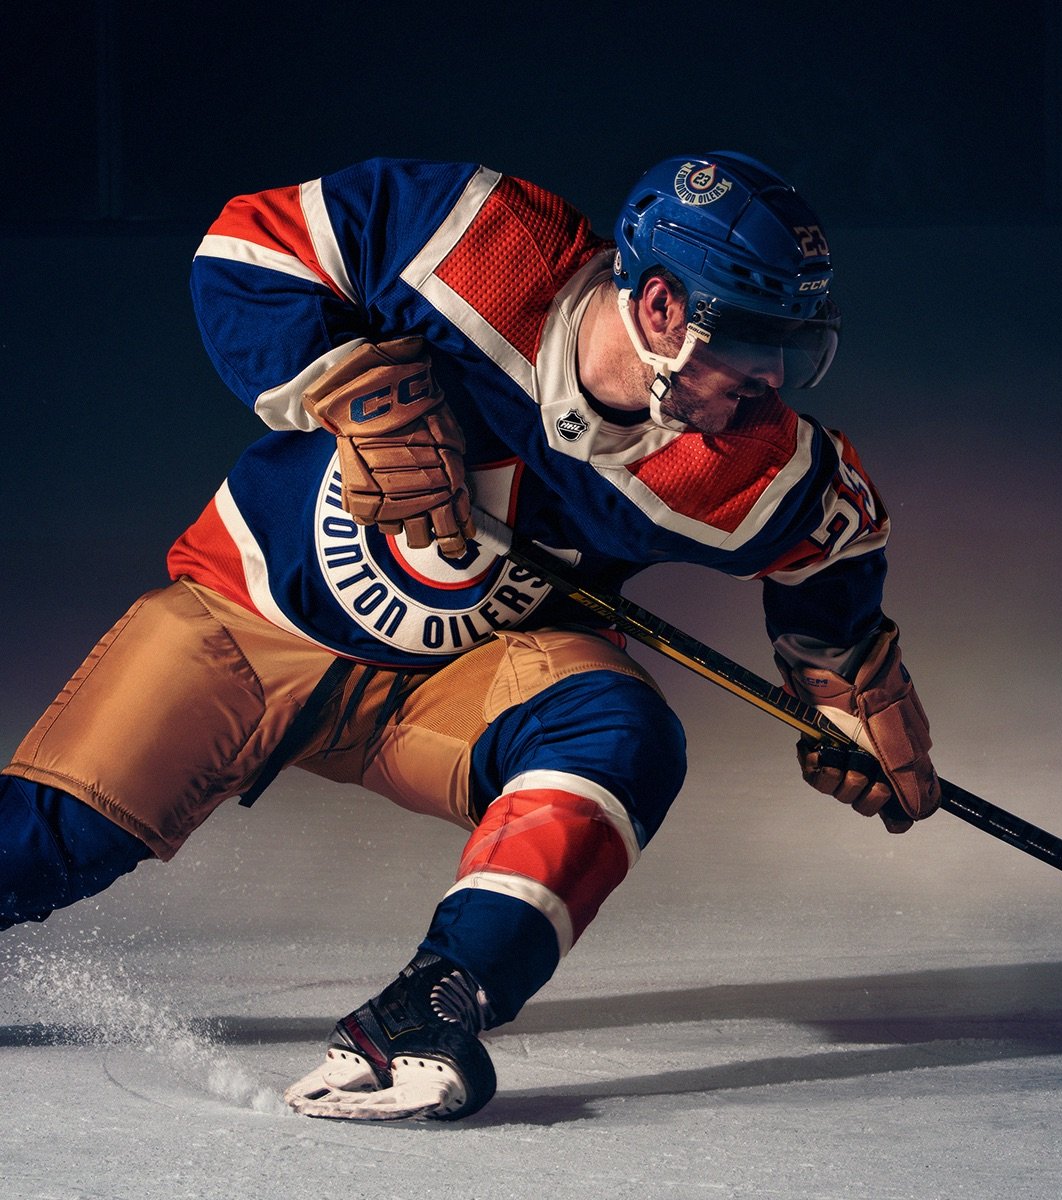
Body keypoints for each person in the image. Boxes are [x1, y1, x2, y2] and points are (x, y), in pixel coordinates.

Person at [0, 152, 940, 1121]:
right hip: (250, 624)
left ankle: (433, 1004)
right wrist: (341, 383)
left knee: (619, 733)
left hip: (469, 676)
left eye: (796, 348)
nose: (772, 377)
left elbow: (831, 547)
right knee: (42, 845)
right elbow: (249, 243)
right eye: (752, 339)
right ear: (660, 306)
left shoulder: (746, 461)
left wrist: (844, 682)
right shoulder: (474, 237)